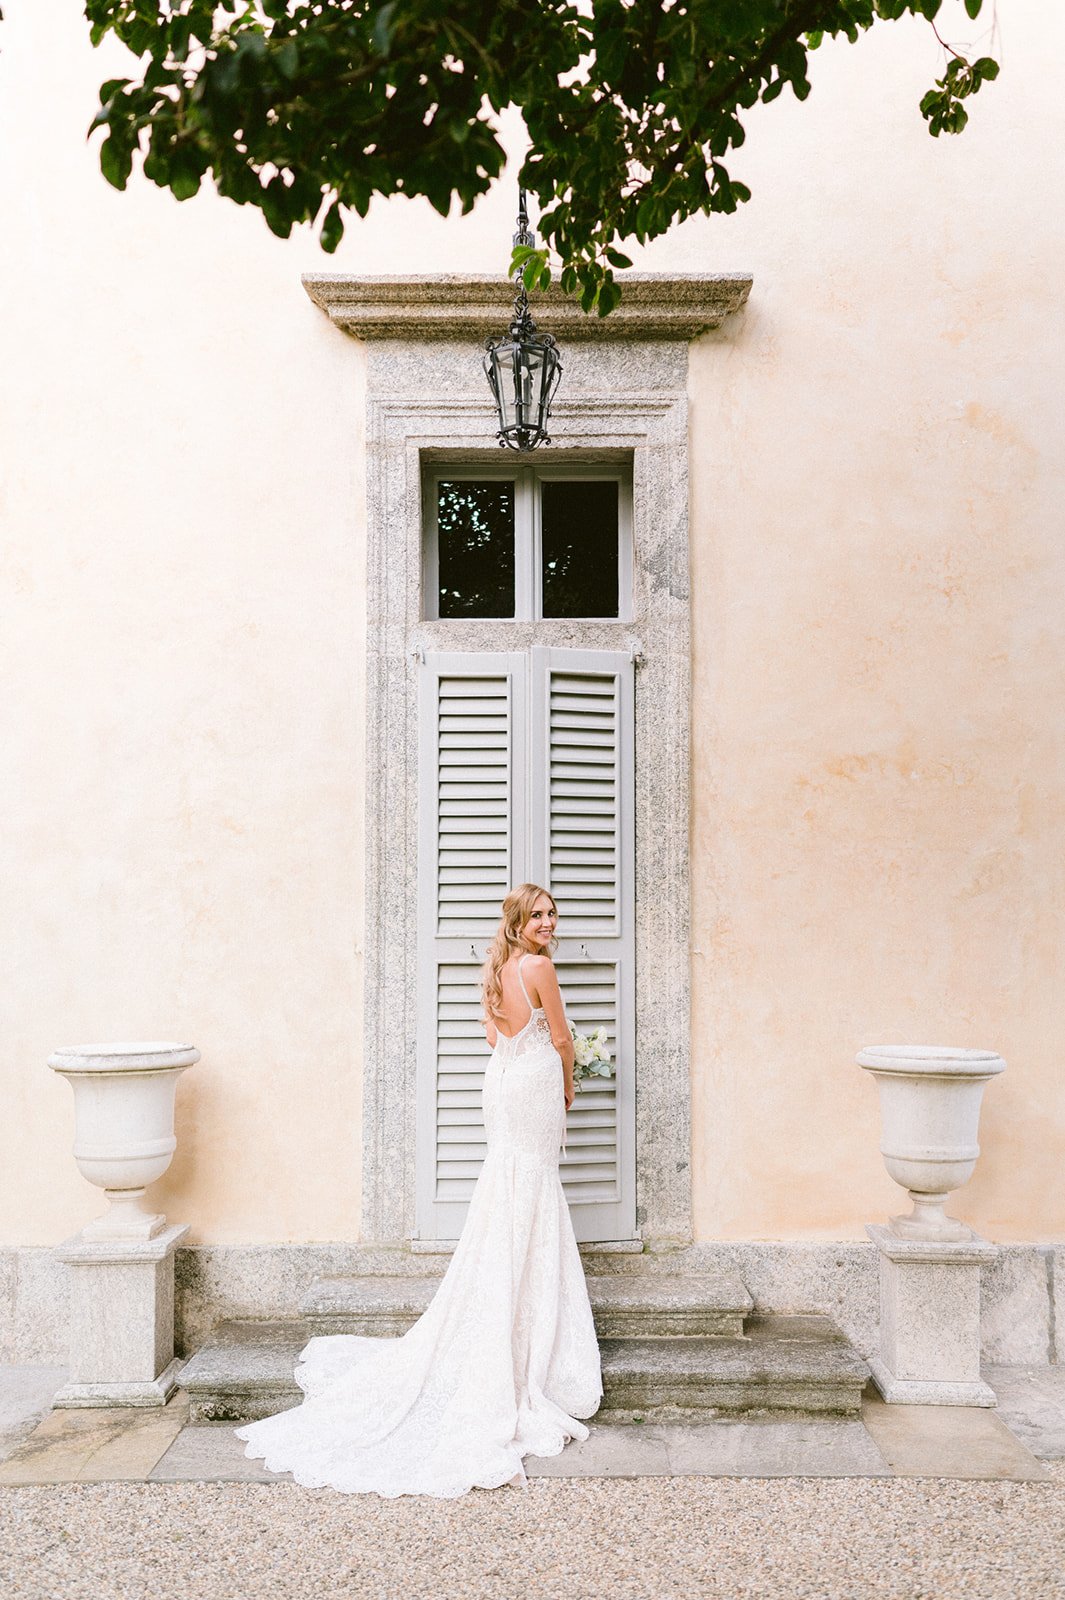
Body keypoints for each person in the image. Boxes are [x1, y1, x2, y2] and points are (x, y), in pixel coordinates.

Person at [234, 882, 603, 1496]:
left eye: (552, 912)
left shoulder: (500, 970)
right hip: (534, 1084)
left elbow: (495, 1040)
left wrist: (536, 1061)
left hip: (502, 1084)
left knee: (511, 1190)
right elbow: (562, 1039)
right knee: (532, 1190)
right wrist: (567, 1086)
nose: (547, 921)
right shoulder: (538, 967)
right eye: (536, 914)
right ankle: (529, 1340)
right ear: (518, 921)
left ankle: (510, 1315)